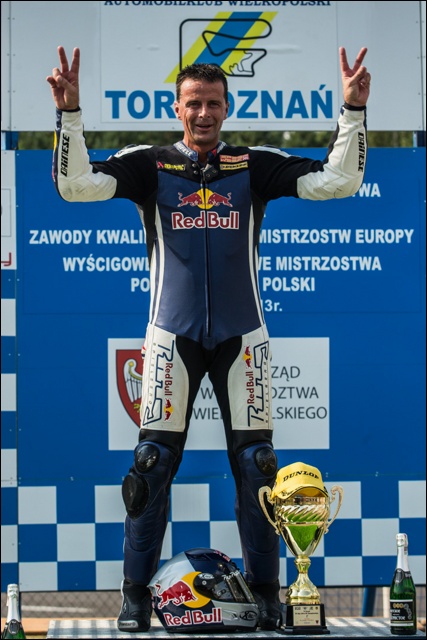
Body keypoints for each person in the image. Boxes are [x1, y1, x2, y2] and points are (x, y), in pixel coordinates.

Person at [47, 45, 370, 632]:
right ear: (177, 108)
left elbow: (340, 181)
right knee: (149, 467)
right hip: (170, 337)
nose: (203, 113)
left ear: (227, 108)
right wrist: (70, 115)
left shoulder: (253, 165)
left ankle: (268, 593)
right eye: (193, 103)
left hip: (243, 338)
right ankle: (135, 595)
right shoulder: (149, 164)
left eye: (213, 103)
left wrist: (352, 111)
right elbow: (75, 187)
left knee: (259, 468)